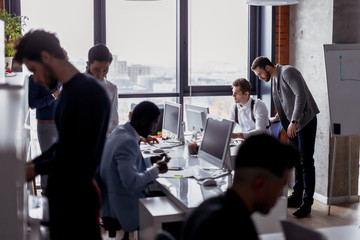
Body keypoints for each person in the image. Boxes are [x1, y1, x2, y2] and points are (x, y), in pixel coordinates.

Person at [15, 29, 110, 240]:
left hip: (78, 201)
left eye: (34, 70)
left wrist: (35, 168)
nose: (36, 79)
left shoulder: (91, 93)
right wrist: (31, 165)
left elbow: (78, 154)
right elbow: (63, 145)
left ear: (46, 57)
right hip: (62, 197)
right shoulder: (68, 91)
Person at [180, 134, 298, 240]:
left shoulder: (206, 208)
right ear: (259, 184)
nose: (279, 196)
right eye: (280, 187)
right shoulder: (236, 229)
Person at [251, 56, 320, 218]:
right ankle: (296, 197)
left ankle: (307, 203)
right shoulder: (275, 79)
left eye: (260, 74)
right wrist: (276, 118)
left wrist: (294, 120)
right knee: (297, 161)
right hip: (293, 124)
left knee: (306, 162)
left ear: (267, 67)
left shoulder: (288, 72)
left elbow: (300, 95)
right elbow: (285, 100)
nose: (260, 78)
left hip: (304, 122)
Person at [100, 101, 169, 233]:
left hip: (111, 199)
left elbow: (127, 165)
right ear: (144, 120)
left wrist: (150, 161)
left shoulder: (120, 131)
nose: (154, 129)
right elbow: (131, 182)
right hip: (124, 207)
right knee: (175, 209)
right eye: (154, 123)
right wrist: (157, 169)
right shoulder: (128, 142)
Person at [28, 74, 60, 194]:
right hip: (47, 125)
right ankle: (47, 195)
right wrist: (52, 96)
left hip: (62, 123)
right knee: (48, 160)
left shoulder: (59, 76)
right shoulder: (35, 78)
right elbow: (32, 103)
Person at [87, 43, 119, 136]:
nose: (101, 75)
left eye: (105, 70)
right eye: (96, 69)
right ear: (88, 64)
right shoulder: (73, 84)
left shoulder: (112, 88)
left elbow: (114, 120)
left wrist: (105, 135)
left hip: (102, 141)